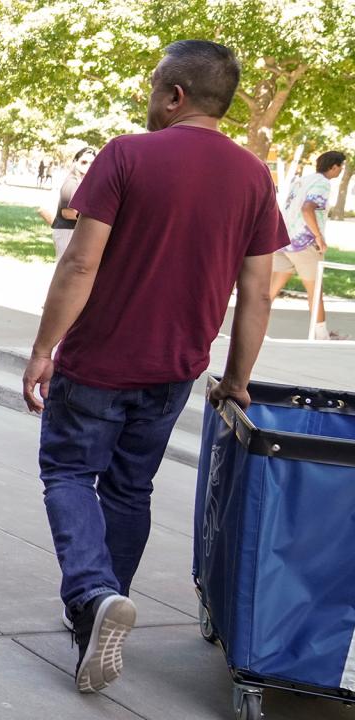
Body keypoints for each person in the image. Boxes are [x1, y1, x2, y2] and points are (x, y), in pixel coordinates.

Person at [20, 40, 287, 694]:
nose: (148, 97)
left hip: (97, 362)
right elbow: (258, 292)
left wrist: (43, 349)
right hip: (175, 370)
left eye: (154, 86)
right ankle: (102, 612)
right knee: (129, 489)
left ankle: (91, 593)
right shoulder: (255, 177)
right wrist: (236, 379)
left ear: (175, 95)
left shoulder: (126, 154)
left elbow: (80, 263)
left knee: (67, 471)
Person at [270, 150, 346, 340]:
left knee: (268, 292)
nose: (341, 171)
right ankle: (321, 336)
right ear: (334, 166)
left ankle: (250, 328)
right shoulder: (323, 183)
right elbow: (307, 208)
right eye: (341, 167)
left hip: (284, 241)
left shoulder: (302, 180)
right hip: (305, 244)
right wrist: (318, 237)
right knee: (315, 292)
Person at [42, 147, 96, 259]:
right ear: (75, 162)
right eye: (84, 162)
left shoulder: (82, 182)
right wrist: (93, 219)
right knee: (65, 269)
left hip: (73, 231)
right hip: (67, 231)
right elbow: (67, 213)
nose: (88, 166)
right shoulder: (72, 183)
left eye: (92, 163)